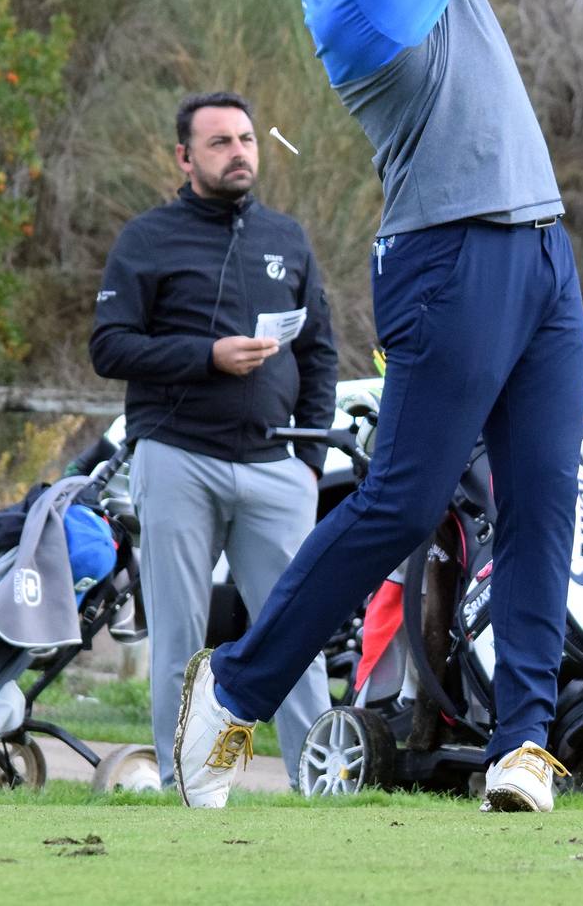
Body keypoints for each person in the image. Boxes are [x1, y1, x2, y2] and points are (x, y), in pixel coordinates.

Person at [169, 0, 583, 813]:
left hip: (539, 248)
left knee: (539, 505)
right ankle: (234, 687)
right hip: (447, 257)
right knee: (400, 502)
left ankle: (521, 745)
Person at [88, 91, 338, 791]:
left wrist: (309, 463)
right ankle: (181, 782)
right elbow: (109, 347)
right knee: (179, 638)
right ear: (185, 156)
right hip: (177, 460)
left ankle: (319, 786)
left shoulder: (285, 237)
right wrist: (207, 356)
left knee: (298, 634)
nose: (239, 153)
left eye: (248, 140)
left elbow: (318, 352)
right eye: (221, 142)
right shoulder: (147, 238)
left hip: (274, 469)